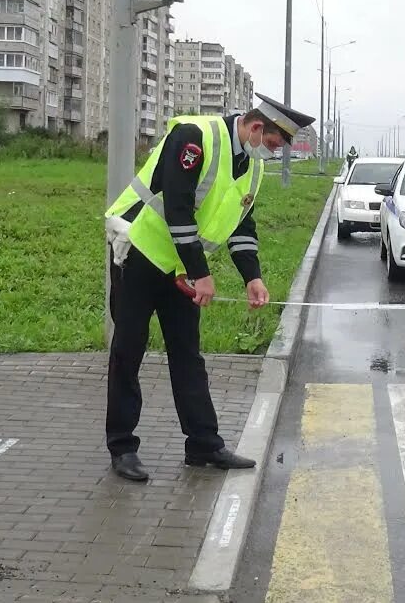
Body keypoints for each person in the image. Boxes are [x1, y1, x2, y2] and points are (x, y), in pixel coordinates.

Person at [103, 94, 314, 482]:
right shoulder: (194, 136)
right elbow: (178, 207)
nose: (273, 152)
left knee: (188, 353)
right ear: (255, 127)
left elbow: (241, 225)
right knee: (129, 349)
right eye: (272, 143)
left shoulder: (251, 167)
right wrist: (201, 272)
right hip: (139, 251)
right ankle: (122, 446)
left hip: (180, 266)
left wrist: (252, 276)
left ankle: (203, 444)